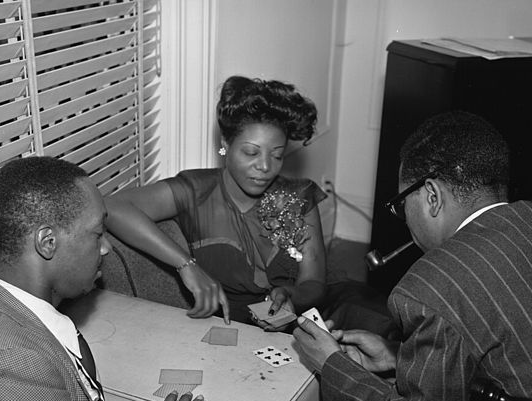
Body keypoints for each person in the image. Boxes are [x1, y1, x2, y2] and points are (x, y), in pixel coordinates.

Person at [0, 157, 208, 401]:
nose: (106, 248)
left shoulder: (14, 313)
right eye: (97, 234)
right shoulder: (9, 364)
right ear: (47, 242)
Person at [293, 110, 532, 401]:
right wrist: (398, 357)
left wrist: (331, 365)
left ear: (432, 196)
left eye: (401, 203)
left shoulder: (431, 287)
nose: (403, 218)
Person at [107, 75, 394, 334]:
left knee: (386, 325)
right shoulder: (194, 191)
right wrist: (186, 265)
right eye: (251, 152)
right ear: (226, 145)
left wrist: (292, 295)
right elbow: (114, 207)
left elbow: (314, 282)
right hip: (235, 331)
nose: (265, 166)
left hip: (307, 321)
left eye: (277, 155)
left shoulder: (298, 196)